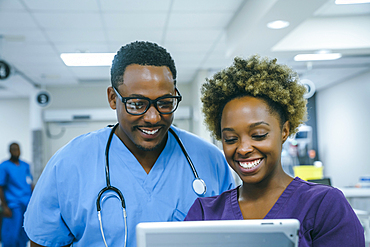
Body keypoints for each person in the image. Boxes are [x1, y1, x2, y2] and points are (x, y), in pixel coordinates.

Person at [24, 41, 235, 247]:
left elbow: (231, 236)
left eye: (165, 103)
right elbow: (43, 241)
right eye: (137, 104)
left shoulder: (210, 160)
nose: (153, 117)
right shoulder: (69, 163)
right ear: (113, 98)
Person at [184, 55, 365, 246]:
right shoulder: (205, 212)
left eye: (259, 135)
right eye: (231, 139)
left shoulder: (323, 205)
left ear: (285, 131)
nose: (244, 148)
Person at [0, 142, 33, 247]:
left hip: (26, 204)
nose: (16, 152)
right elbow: (0, 186)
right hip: (13, 205)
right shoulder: (4, 166)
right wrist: (4, 206)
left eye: (18, 149)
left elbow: (30, 183)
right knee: (11, 235)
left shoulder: (25, 165)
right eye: (13, 149)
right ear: (9, 151)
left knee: (24, 234)